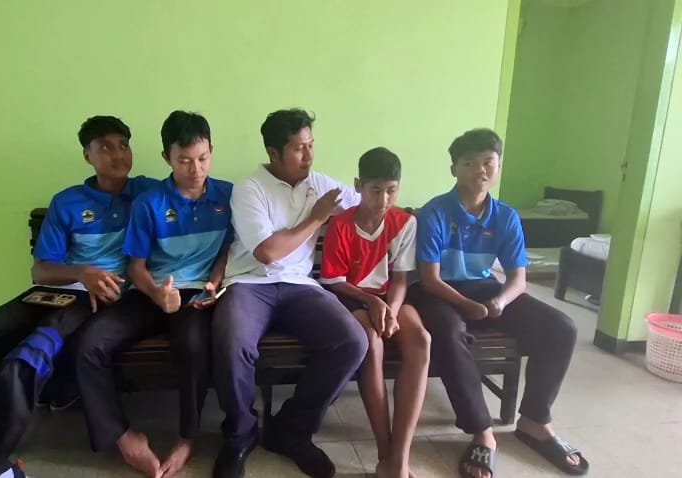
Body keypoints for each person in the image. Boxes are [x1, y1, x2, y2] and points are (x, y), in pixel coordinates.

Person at [0, 115, 159, 478]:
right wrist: (81, 273)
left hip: (97, 301)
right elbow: (41, 271)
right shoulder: (67, 202)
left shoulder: (147, 194)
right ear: (87, 155)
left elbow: (190, 193)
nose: (118, 155)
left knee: (26, 358)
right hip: (50, 294)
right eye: (105, 147)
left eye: (123, 145)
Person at [410, 128, 589, 478]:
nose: (480, 170)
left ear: (499, 166)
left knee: (561, 328)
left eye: (488, 162)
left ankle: (535, 421)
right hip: (438, 292)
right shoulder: (435, 212)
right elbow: (430, 279)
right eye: (469, 162)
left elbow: (517, 279)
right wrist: (468, 306)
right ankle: (482, 432)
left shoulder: (506, 217)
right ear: (454, 169)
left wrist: (500, 301)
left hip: (484, 288)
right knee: (448, 331)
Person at [74, 111, 232, 478]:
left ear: (211, 151)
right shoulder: (150, 202)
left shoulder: (229, 195)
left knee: (192, 344)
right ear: (167, 158)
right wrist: (157, 294)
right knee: (89, 344)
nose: (196, 169)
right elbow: (135, 266)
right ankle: (122, 436)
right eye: (184, 160)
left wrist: (215, 280)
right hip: (150, 291)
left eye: (203, 158)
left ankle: (187, 437)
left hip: (197, 294)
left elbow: (229, 249)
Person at [211, 108, 368, 478]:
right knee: (232, 341)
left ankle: (291, 430)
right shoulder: (249, 189)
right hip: (250, 284)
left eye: (311, 145)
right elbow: (267, 252)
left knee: (352, 341)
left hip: (301, 287)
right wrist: (317, 217)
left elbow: (365, 207)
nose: (309, 155)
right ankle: (240, 435)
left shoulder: (321, 183)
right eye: (299, 148)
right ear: (274, 152)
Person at [319, 147, 430, 478]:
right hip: (351, 297)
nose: (384, 200)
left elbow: (401, 280)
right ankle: (384, 451)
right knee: (372, 343)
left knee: (421, 341)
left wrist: (390, 310)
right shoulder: (341, 224)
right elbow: (334, 281)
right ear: (359, 186)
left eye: (391, 190)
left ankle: (400, 457)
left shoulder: (405, 223)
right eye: (375, 190)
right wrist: (372, 303)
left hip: (391, 298)